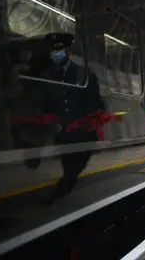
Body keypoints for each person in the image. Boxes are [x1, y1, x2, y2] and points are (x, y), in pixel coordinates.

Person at [38, 33, 105, 204]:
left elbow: (96, 103)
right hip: (62, 135)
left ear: (67, 51)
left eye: (59, 49)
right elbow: (44, 104)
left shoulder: (84, 74)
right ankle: (60, 194)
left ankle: (59, 194)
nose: (56, 54)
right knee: (67, 166)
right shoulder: (45, 76)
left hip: (83, 133)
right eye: (53, 50)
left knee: (74, 168)